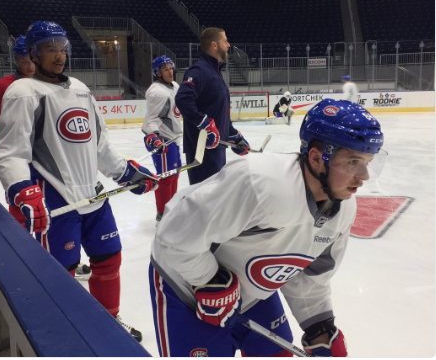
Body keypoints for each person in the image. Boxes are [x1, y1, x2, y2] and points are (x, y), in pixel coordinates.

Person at [149, 99, 387, 357]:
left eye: (368, 162)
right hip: (185, 285)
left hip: (250, 290)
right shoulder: (261, 183)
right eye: (353, 162)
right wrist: (208, 278)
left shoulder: (343, 211)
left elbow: (311, 279)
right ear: (317, 158)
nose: (364, 176)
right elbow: (175, 237)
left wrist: (320, 326)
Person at [0, 21, 158, 342]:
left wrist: (126, 172)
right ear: (33, 54)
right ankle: (64, 335)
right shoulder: (24, 93)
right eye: (49, 48)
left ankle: (108, 323)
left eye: (61, 48)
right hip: (56, 201)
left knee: (109, 260)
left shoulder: (80, 88)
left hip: (94, 198)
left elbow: (99, 145)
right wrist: (21, 190)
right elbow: (8, 152)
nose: (58, 55)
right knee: (60, 275)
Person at [175, 27, 250, 185]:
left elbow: (217, 111)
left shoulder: (215, 73)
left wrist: (233, 136)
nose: (228, 45)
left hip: (217, 148)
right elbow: (182, 99)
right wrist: (205, 125)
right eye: (225, 41)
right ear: (214, 45)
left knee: (214, 201)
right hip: (202, 150)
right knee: (204, 202)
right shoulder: (199, 71)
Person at [0, 34, 35, 225]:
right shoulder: (1, 87)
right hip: (17, 157)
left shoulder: (50, 86)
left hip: (46, 159)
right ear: (15, 60)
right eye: (24, 61)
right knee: (20, 206)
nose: (29, 67)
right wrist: (2, 152)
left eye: (32, 61)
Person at [142, 56, 182, 223]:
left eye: (170, 67)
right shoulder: (156, 91)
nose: (170, 71)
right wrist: (154, 137)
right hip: (164, 140)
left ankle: (171, 210)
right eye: (165, 69)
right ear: (157, 73)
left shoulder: (174, 86)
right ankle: (163, 213)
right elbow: (150, 120)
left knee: (174, 175)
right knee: (165, 178)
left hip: (174, 138)